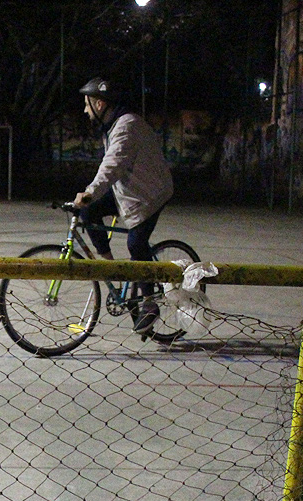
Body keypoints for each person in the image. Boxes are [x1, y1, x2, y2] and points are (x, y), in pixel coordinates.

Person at [72, 77, 174, 335]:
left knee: (135, 244)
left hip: (149, 194)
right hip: (127, 191)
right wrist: (89, 198)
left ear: (99, 103)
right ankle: (112, 269)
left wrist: (90, 191)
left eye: (87, 105)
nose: (85, 110)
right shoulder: (112, 124)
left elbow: (113, 165)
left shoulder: (127, 126)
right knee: (88, 211)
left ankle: (150, 304)